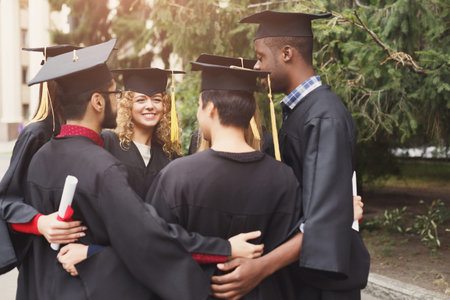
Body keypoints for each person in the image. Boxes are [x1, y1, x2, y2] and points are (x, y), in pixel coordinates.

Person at [21, 39, 261, 300]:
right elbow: (146, 237)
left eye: (156, 99)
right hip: (90, 286)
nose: (148, 105)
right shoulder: (104, 161)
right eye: (118, 95)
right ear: (98, 102)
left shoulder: (43, 157)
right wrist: (223, 249)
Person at [211, 10, 369, 300]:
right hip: (301, 277)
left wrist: (260, 268)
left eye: (260, 57)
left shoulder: (323, 117)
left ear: (286, 53)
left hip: (324, 288)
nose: (257, 67)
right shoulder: (300, 112)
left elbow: (321, 221)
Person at [146, 55, 302, 299]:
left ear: (210, 108)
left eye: (199, 106)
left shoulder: (176, 176)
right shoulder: (285, 179)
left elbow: (154, 246)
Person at [0, 45, 86, 275]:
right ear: (54, 85)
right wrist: (40, 222)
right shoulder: (36, 133)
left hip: (82, 253)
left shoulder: (91, 132)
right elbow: (7, 199)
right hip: (44, 254)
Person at [102, 68, 183, 198]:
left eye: (157, 100)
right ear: (128, 106)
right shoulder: (109, 143)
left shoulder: (169, 156)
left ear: (165, 106)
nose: (150, 106)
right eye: (141, 100)